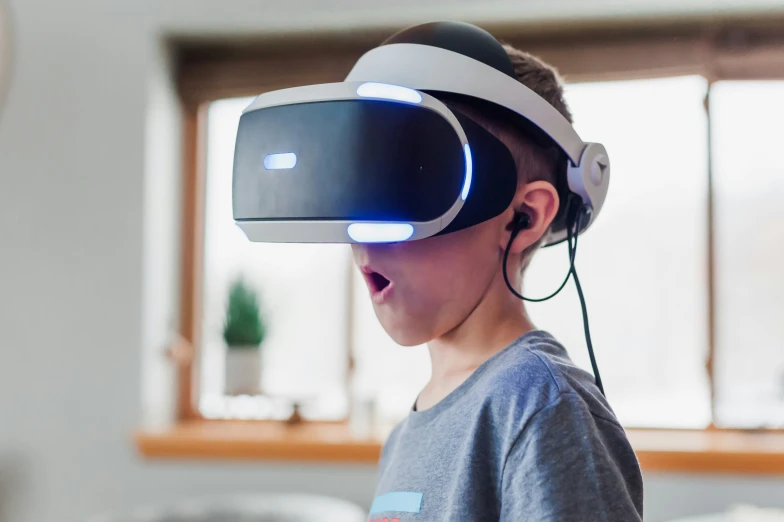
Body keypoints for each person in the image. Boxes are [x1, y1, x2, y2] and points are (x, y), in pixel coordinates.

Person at [353, 40, 644, 521]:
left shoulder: (539, 404)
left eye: (407, 188)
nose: (365, 232)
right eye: (361, 190)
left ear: (524, 218)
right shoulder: (405, 437)